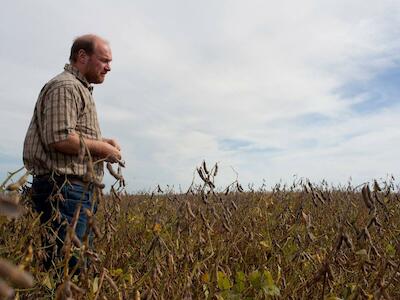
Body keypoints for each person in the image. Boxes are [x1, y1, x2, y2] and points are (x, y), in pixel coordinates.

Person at [23, 34, 121, 271]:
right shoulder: (66, 86)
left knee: (71, 264)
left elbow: (70, 134)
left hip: (74, 191)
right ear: (82, 56)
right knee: (67, 267)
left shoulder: (78, 88)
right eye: (104, 60)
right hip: (64, 190)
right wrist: (103, 149)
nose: (108, 68)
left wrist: (101, 142)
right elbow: (60, 138)